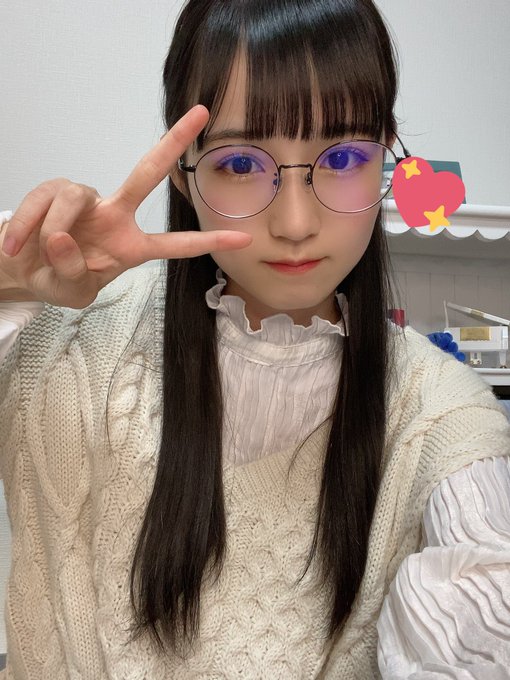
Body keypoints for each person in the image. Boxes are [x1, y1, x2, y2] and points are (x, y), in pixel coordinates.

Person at [1, 0, 509, 677]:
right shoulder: (62, 347)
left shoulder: (441, 412)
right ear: (184, 172)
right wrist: (10, 278)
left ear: (386, 157)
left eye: (342, 156)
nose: (295, 223)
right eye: (240, 164)